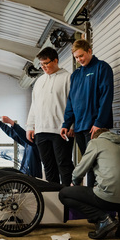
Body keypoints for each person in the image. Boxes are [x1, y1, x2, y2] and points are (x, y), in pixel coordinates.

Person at [59, 128, 120, 240]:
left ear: (93, 136)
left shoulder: (96, 142)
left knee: (64, 194)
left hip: (109, 197)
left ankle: (103, 219)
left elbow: (81, 169)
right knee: (118, 189)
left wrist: (75, 182)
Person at [61, 39, 114, 188]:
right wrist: (66, 123)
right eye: (76, 58)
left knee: (97, 165)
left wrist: (99, 123)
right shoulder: (75, 75)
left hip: (95, 127)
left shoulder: (102, 68)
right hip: (79, 128)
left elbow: (106, 96)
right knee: (87, 164)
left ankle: (98, 200)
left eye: (81, 56)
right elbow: (71, 101)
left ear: (89, 51)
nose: (79, 60)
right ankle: (90, 199)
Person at [26, 47, 74, 186]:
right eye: (41, 64)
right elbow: (34, 105)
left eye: (46, 63)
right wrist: (30, 126)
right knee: (48, 168)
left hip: (61, 130)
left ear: (55, 60)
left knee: (64, 166)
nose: (44, 67)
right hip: (41, 131)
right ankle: (55, 199)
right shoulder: (39, 81)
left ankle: (68, 201)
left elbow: (73, 104)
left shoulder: (67, 78)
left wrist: (72, 125)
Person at [0, 113, 42, 178]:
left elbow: (23, 135)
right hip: (24, 175)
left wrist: (11, 122)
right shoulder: (27, 143)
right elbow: (12, 133)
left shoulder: (36, 142)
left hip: (32, 178)